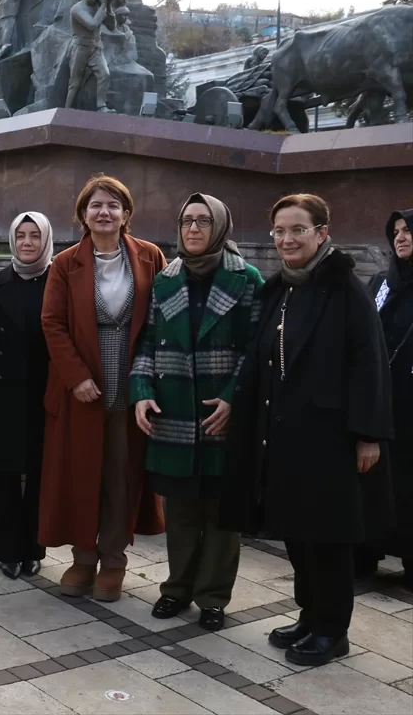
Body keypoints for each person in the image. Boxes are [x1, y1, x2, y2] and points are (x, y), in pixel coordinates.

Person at [222, 194, 393, 666]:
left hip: (329, 438)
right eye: (279, 231)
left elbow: (369, 362)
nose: (286, 239)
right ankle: (310, 614)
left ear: (322, 233)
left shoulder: (344, 288)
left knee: (328, 535)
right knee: (297, 531)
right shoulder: (284, 288)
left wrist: (369, 434)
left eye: (298, 229)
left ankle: (332, 630)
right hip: (284, 435)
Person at [129, 194, 264, 632]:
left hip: (221, 413)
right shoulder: (166, 279)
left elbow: (256, 350)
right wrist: (142, 391)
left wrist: (233, 398)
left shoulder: (246, 279)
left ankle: (212, 597)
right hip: (173, 413)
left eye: (203, 221)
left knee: (222, 514)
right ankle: (176, 589)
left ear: (220, 227)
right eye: (187, 220)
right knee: (182, 510)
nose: (193, 228)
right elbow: (147, 343)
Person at [40, 175, 166, 602]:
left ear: (126, 213)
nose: (104, 212)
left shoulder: (150, 257)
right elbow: (52, 323)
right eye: (95, 205)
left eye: (113, 205)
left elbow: (158, 322)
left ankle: (114, 561)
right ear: (82, 215)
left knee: (121, 475)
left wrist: (146, 378)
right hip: (83, 389)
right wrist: (76, 377)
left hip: (132, 388)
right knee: (81, 475)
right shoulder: (65, 263)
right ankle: (83, 557)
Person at [0, 212, 54, 580]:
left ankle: (33, 549)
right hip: (3, 397)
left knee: (39, 477)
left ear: (46, 240)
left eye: (34, 236)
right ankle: (6, 551)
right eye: (20, 235)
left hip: (45, 397)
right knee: (5, 478)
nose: (26, 242)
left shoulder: (59, 282)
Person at [363, 208, 413, 584]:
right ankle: (364, 552)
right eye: (395, 231)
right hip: (379, 399)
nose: (401, 237)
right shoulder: (381, 282)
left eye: (409, 230)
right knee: (373, 479)